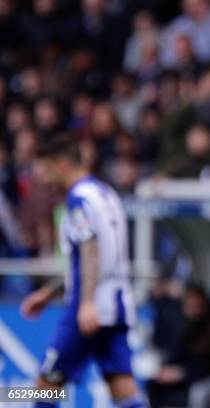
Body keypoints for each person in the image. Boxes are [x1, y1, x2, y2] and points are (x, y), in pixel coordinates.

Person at [20, 134, 147, 408]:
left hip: (86, 311)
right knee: (125, 392)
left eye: (44, 168)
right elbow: (96, 255)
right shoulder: (105, 193)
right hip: (117, 306)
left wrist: (87, 302)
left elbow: (90, 249)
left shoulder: (77, 199)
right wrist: (48, 293)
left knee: (44, 389)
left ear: (63, 164)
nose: (41, 177)